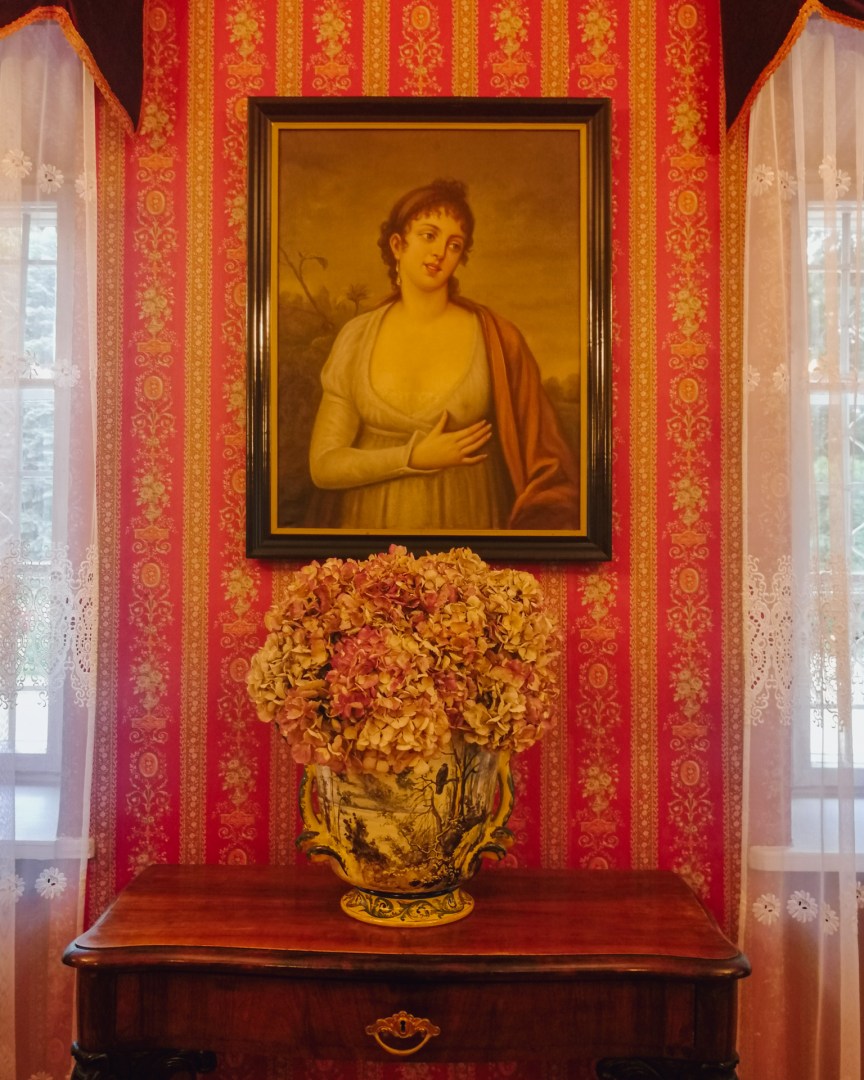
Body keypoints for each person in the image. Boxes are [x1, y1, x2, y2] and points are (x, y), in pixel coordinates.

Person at [307, 178, 580, 532]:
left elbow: (547, 460)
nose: (440, 252)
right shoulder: (356, 337)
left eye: (454, 245)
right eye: (428, 235)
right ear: (397, 245)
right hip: (368, 537)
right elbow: (323, 464)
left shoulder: (496, 337)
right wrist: (412, 458)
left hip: (473, 529)